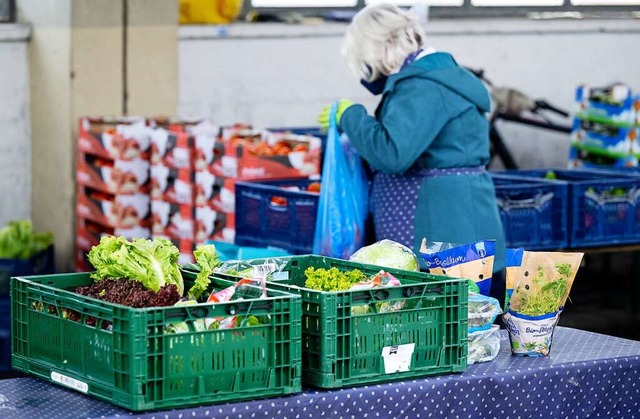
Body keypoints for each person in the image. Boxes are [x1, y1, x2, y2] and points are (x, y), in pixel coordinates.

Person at [317, 3, 506, 285]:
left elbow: (393, 153)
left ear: (382, 47)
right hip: (460, 223)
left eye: (367, 62)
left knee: (455, 319)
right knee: (471, 317)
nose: (369, 73)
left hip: (444, 230)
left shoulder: (424, 86)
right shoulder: (435, 80)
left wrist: (351, 116)